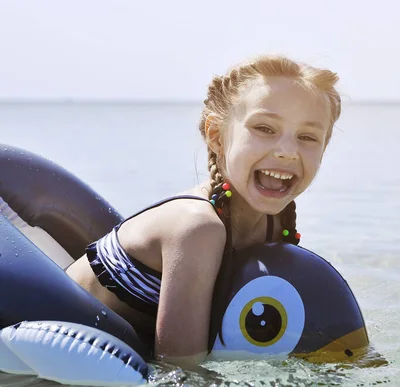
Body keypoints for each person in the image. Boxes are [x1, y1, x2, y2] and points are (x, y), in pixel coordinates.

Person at [65, 54, 342, 369]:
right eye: (265, 128)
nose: (287, 151)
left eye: (307, 137)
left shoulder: (276, 223)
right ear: (216, 135)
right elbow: (180, 368)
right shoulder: (198, 229)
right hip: (53, 343)